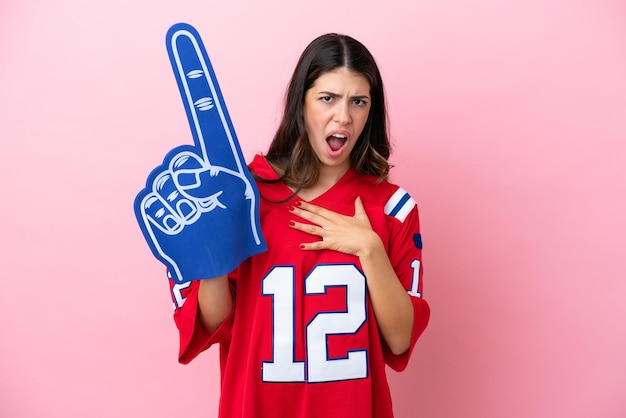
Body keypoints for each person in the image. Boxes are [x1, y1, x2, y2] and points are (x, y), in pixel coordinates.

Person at [169, 33, 430, 418]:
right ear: (301, 103)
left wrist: (369, 248)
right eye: (328, 98)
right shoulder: (242, 197)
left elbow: (399, 339)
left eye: (358, 101)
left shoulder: (392, 207)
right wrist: (211, 255)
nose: (344, 117)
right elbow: (214, 325)